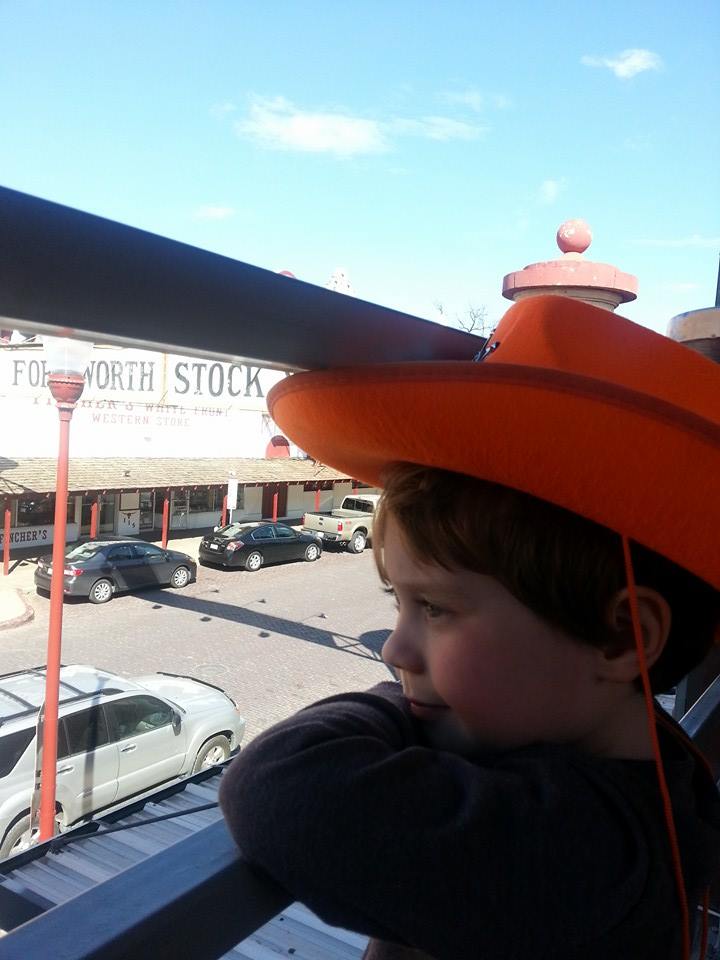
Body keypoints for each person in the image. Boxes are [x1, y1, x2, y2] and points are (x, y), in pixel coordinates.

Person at [219, 295, 720, 960]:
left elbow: (279, 783)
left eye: (434, 608)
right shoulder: (643, 769)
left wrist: (399, 707)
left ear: (623, 637)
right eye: (398, 602)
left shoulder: (582, 851)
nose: (395, 649)